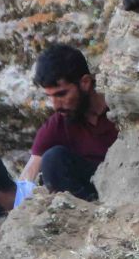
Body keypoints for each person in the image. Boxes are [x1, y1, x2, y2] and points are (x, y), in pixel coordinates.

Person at [20, 43, 118, 202]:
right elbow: (29, 174)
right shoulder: (59, 123)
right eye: (49, 97)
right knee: (52, 160)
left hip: (132, 182)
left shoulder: (121, 110)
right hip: (94, 201)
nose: (55, 105)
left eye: (61, 94)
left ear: (85, 83)